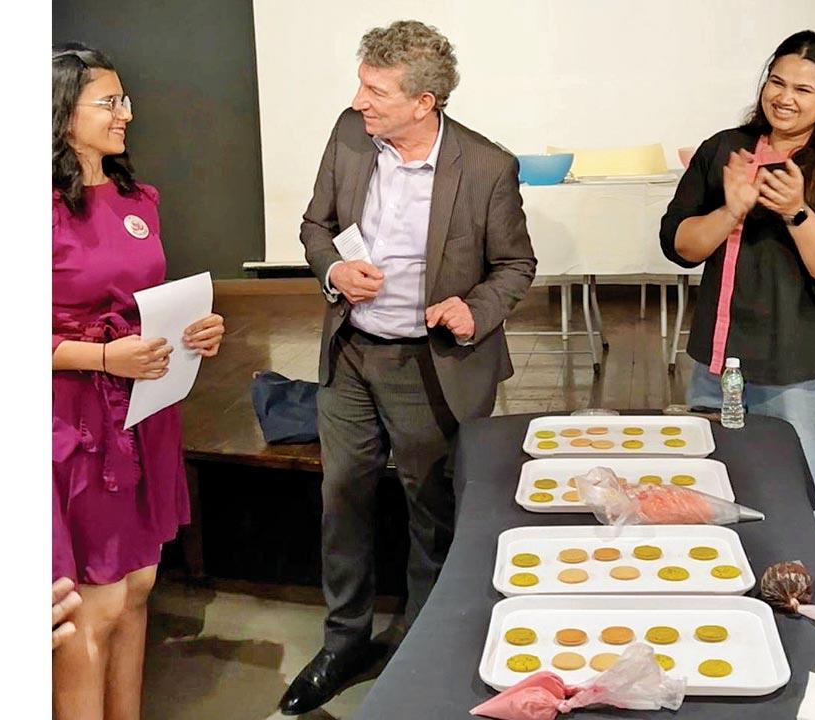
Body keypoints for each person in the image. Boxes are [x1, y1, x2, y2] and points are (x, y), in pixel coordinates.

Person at [279, 20, 537, 716]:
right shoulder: (349, 132)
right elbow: (314, 225)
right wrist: (332, 266)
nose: (359, 100)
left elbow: (517, 265)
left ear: (424, 102)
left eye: (376, 90)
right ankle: (343, 642)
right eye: (360, 84)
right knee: (343, 499)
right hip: (353, 353)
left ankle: (416, 647)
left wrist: (473, 307)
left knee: (433, 510)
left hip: (433, 366)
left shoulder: (486, 167)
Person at [51, 43, 225, 719]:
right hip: (72, 423)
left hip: (142, 411)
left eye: (126, 100)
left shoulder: (137, 198)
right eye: (110, 102)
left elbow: (145, 300)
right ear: (64, 114)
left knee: (139, 589)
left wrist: (196, 331)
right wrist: (100, 360)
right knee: (90, 607)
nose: (127, 113)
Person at [659, 30, 815, 561]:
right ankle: (742, 601)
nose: (784, 97)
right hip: (719, 358)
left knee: (806, 504)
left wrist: (797, 211)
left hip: (806, 365)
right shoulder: (724, 150)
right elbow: (679, 245)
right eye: (776, 81)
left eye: (802, 88)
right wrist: (730, 210)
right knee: (717, 492)